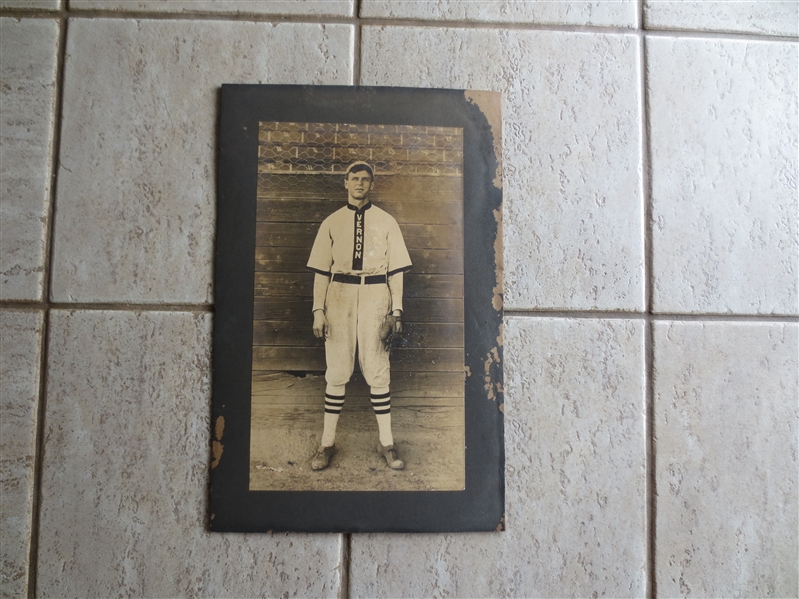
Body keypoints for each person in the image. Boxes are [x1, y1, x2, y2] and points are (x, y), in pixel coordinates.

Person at [305, 161, 412, 471]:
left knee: (378, 369)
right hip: (338, 294)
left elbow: (396, 273)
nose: (360, 183)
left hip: (376, 294)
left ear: (372, 184)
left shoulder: (387, 221)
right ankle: (326, 444)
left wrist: (397, 311)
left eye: (366, 179)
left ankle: (387, 443)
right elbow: (321, 273)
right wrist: (317, 311)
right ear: (346, 182)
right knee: (337, 370)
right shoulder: (332, 222)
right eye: (355, 178)